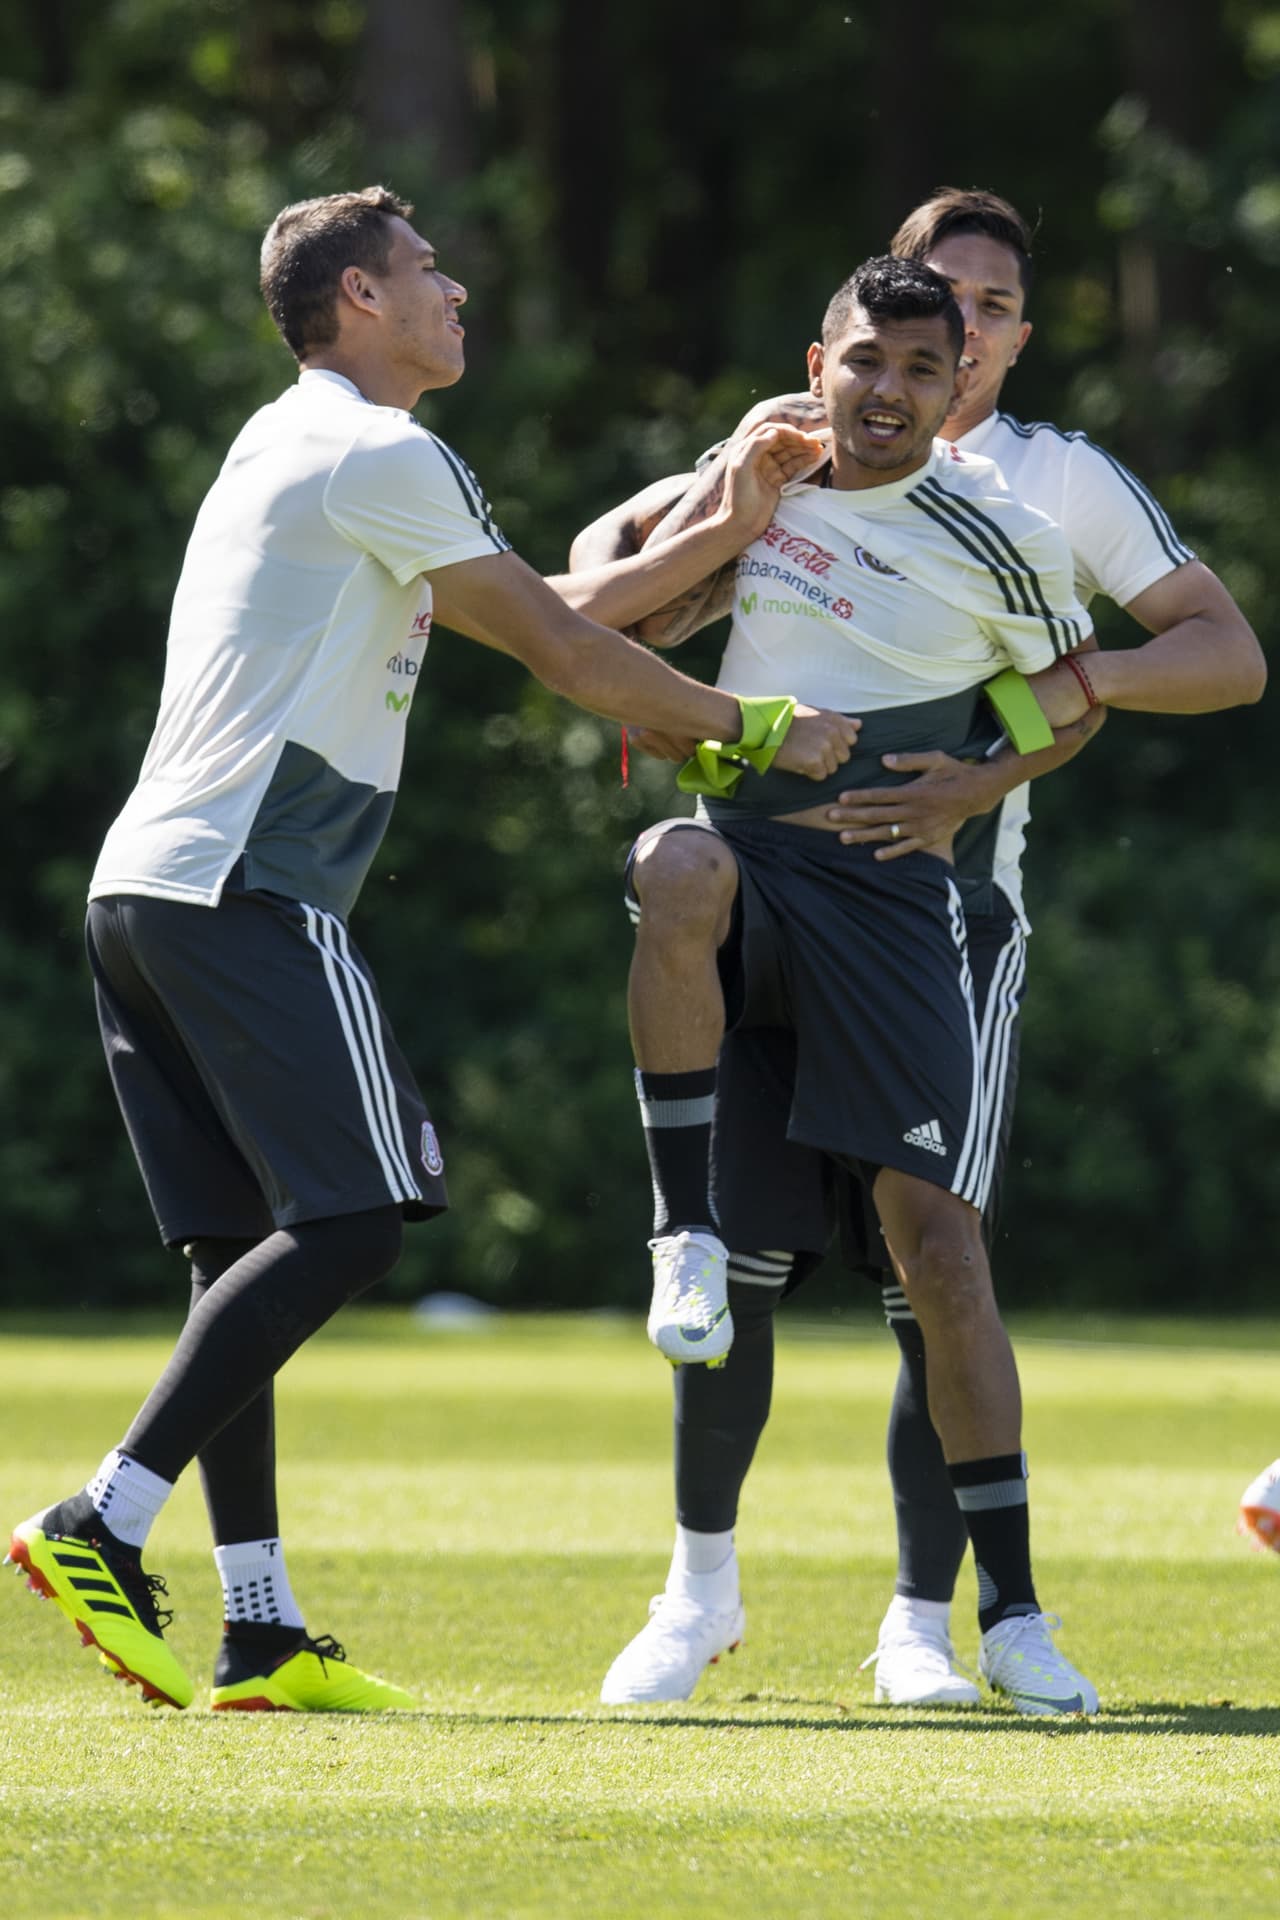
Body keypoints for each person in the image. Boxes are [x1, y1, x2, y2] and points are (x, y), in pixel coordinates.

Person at [5, 185, 858, 1714]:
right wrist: (753, 727)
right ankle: (101, 1519)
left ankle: (259, 1625)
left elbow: (558, 612)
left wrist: (727, 521)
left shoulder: (302, 441)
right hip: (249, 893)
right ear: (355, 302)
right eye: (427, 271)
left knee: (236, 1254)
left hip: (143, 892)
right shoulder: (379, 448)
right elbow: (567, 654)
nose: (456, 291)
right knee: (358, 1214)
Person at [574, 191, 1264, 1712]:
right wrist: (728, 517)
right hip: (758, 868)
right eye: (877, 345)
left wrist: (975, 778)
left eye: (968, 322)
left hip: (930, 912)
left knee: (934, 1262)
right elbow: (582, 601)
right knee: (680, 896)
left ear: (985, 352)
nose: (899, 378)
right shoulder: (774, 451)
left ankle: (967, 1620)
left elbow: (1097, 681)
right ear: (823, 356)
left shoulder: (1043, 501)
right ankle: (694, 1583)